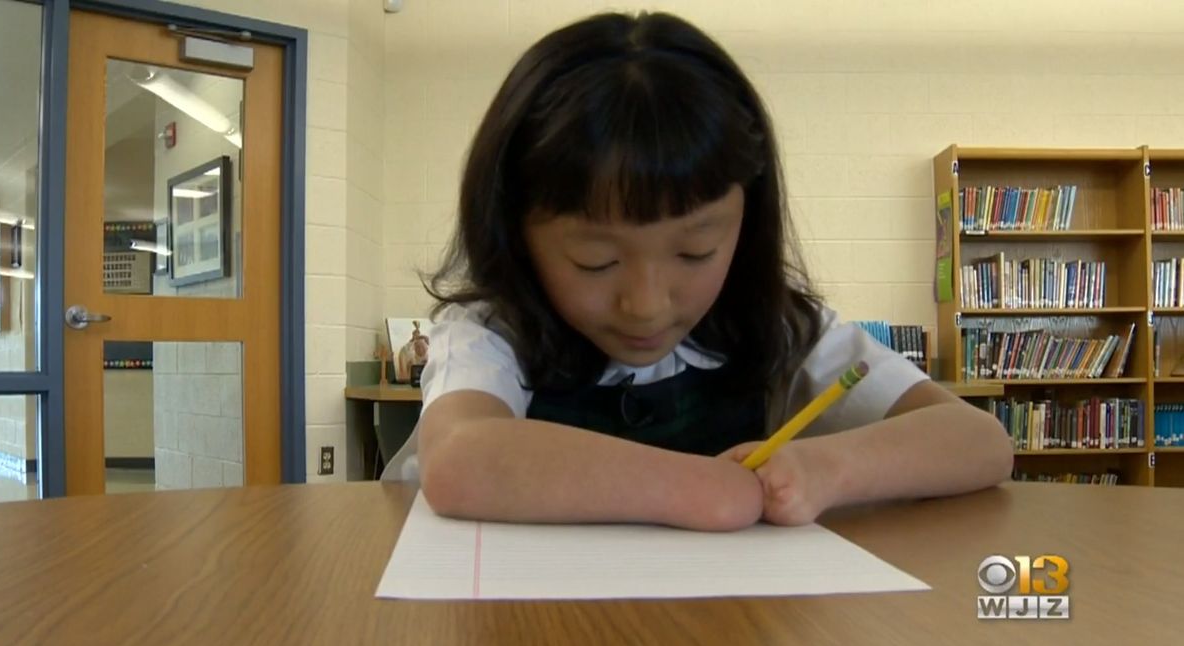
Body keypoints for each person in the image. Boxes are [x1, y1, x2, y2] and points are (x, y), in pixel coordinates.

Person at [381, 11, 1012, 530]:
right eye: (595, 261)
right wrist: (703, 490)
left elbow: (980, 442)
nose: (647, 305)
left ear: (747, 222)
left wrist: (828, 469)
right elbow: (463, 460)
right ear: (513, 230)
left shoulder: (779, 327)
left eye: (695, 252)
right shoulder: (493, 333)